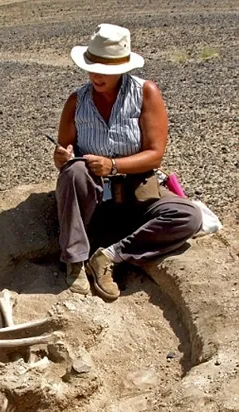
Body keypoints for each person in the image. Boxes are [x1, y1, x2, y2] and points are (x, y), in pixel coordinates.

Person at [54, 24, 202, 301]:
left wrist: (113, 165)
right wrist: (62, 156)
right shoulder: (77, 101)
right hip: (93, 200)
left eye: (106, 69)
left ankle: (109, 256)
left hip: (136, 193)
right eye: (93, 66)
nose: (97, 75)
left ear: (123, 68)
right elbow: (63, 153)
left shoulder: (145, 93)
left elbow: (155, 154)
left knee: (188, 216)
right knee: (74, 170)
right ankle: (74, 260)